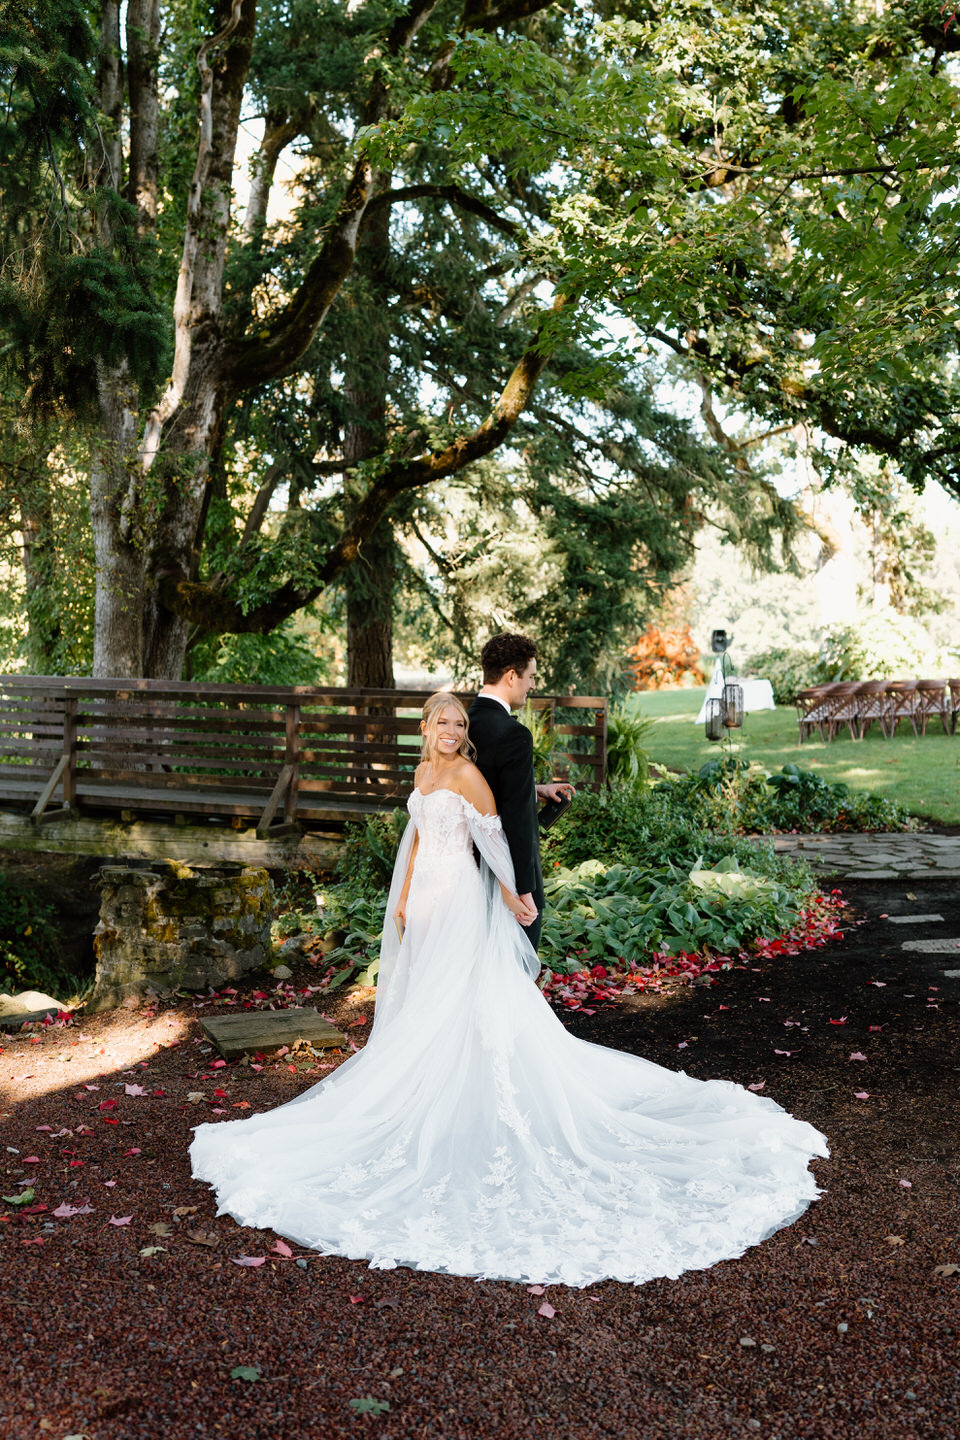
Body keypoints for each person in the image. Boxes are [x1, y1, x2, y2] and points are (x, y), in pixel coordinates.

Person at [189, 690, 828, 1288]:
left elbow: (492, 842)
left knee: (464, 998)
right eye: (443, 722)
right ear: (425, 728)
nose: (452, 732)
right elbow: (414, 846)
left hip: (466, 902)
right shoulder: (421, 777)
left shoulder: (468, 777)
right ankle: (428, 1084)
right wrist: (405, 900)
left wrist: (512, 894)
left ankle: (462, 1097)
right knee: (427, 1002)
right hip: (428, 904)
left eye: (459, 725)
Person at [467, 633, 574, 951]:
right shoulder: (513, 734)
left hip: (465, 868)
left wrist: (533, 788)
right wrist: (525, 889)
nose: (532, 685)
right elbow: (517, 820)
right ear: (512, 676)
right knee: (514, 966)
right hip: (504, 872)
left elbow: (476, 786)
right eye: (530, 677)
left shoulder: (460, 724)